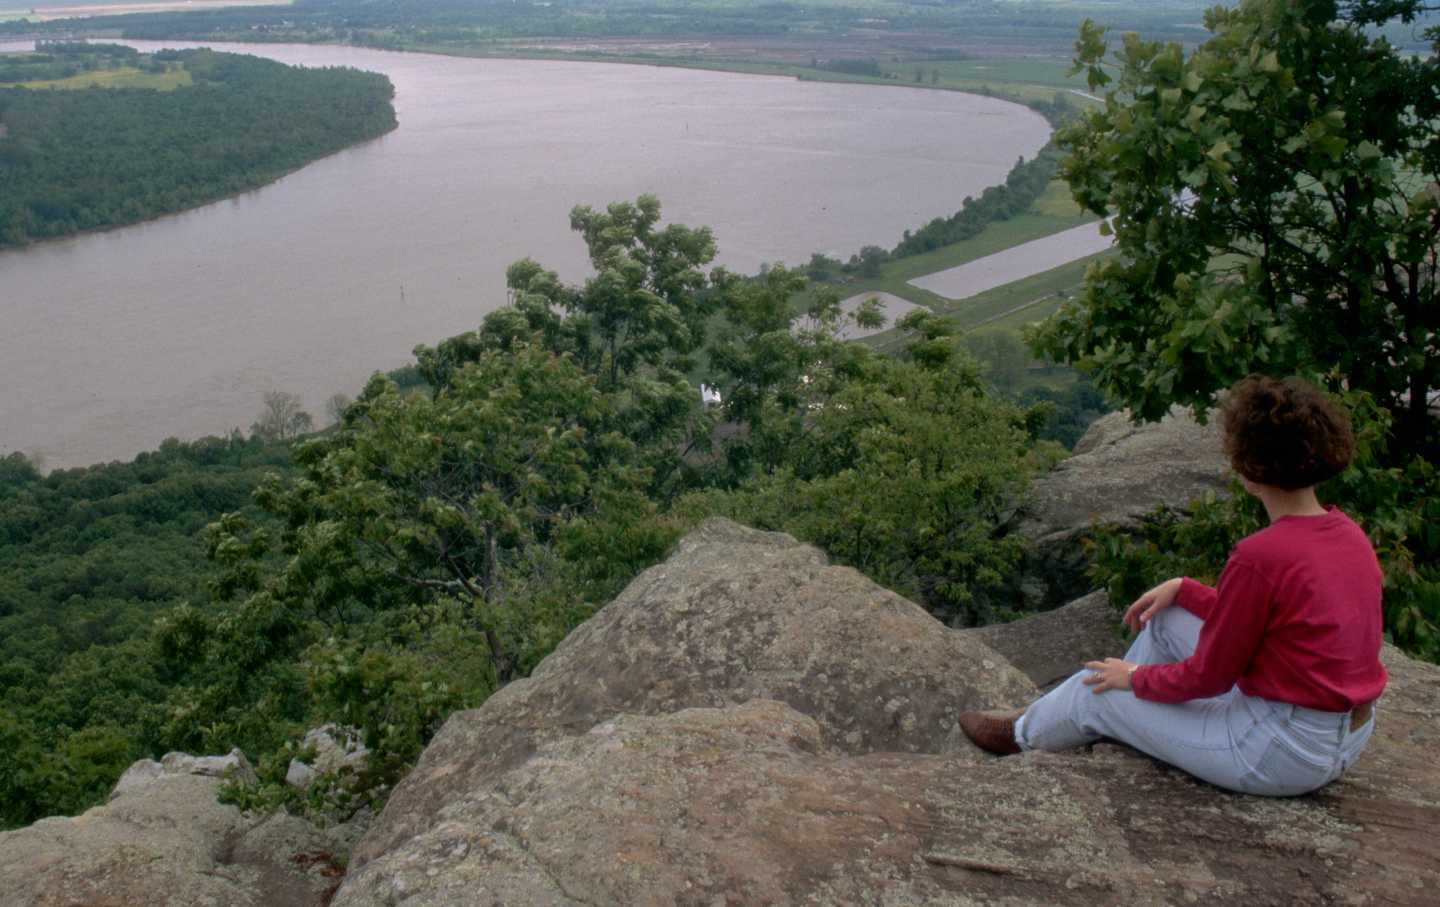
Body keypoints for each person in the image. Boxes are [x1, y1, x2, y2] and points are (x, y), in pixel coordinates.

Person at [959, 375, 1388, 796]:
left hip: (1279, 752)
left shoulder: (1263, 554)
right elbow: (1266, 622)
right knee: (1166, 618)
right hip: (1342, 735)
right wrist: (1185, 588)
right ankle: (1082, 714)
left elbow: (1210, 677)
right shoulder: (1348, 534)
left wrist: (1136, 679)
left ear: (1248, 466)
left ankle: (1022, 733)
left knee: (1099, 695)